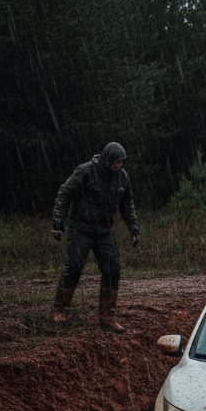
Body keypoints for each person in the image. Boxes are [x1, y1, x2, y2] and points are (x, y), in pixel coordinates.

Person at [51, 142, 140, 331]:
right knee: (74, 267)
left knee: (112, 268)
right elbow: (64, 193)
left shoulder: (122, 178)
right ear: (106, 160)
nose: (119, 165)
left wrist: (134, 228)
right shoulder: (85, 171)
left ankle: (107, 316)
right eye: (116, 162)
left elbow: (127, 204)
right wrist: (58, 221)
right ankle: (61, 309)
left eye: (122, 162)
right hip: (80, 228)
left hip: (104, 232)